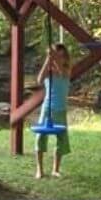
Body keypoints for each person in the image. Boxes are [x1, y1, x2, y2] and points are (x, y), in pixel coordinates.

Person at [35, 43, 72, 181]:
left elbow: (62, 72)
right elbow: (39, 80)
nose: (59, 59)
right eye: (57, 56)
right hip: (47, 108)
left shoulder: (67, 70)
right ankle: (40, 169)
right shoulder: (49, 71)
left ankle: (55, 170)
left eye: (62, 56)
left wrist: (54, 57)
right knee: (40, 138)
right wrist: (48, 59)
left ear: (65, 58)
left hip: (61, 109)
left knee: (61, 140)